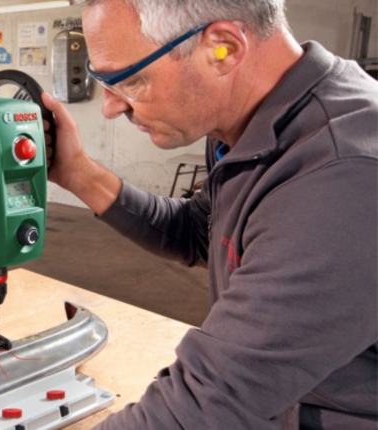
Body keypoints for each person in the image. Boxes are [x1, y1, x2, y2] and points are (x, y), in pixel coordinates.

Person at [41, 0, 378, 428]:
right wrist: (79, 174)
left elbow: (209, 404)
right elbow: (202, 232)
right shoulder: (252, 123)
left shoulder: (344, 173)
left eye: (131, 80)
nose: (111, 107)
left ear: (223, 49)